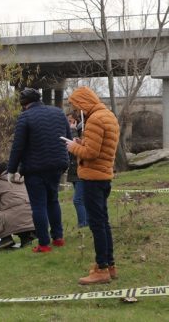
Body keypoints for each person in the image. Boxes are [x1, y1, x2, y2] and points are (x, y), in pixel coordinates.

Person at [66, 86, 120, 285]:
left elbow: (91, 153)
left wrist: (74, 147)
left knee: (97, 224)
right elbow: (100, 146)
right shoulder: (108, 115)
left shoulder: (95, 119)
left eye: (76, 105)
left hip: (92, 178)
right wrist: (83, 142)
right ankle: (109, 265)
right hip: (104, 175)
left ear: (84, 103)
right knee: (103, 222)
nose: (75, 109)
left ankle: (102, 269)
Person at [7, 88, 72, 253]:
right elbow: (68, 139)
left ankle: (44, 243)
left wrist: (11, 169)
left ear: (24, 104)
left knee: (38, 206)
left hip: (35, 169)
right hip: (57, 165)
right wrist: (66, 160)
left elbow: (18, 146)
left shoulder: (25, 117)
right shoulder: (59, 113)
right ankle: (58, 238)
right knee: (53, 200)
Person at [0, 162, 36, 249]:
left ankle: (5, 238)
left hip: (13, 217)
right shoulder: (22, 178)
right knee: (18, 208)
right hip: (31, 214)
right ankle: (26, 238)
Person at [66, 110, 88, 229]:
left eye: (70, 121)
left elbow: (78, 148)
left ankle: (83, 224)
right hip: (74, 169)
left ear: (76, 121)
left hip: (81, 170)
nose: (68, 123)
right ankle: (86, 222)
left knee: (78, 200)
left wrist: (73, 131)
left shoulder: (81, 131)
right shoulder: (71, 131)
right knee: (82, 199)